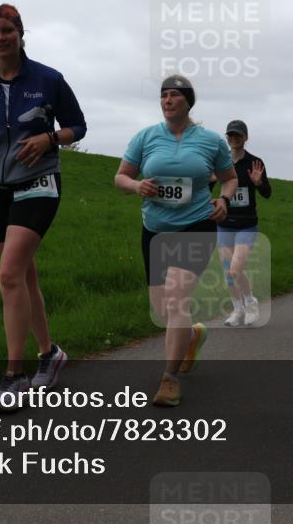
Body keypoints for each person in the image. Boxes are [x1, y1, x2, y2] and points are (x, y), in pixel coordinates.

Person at [0, 3, 86, 407]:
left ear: (20, 32)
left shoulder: (48, 79)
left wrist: (50, 139)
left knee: (9, 275)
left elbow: (78, 125)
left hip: (39, 182)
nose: (0, 39)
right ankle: (50, 354)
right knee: (24, 278)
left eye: (6, 31)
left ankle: (13, 377)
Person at [115, 75, 237, 406]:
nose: (168, 100)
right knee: (161, 308)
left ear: (188, 101)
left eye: (175, 95)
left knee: (175, 299)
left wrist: (224, 200)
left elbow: (229, 179)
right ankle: (193, 335)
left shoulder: (211, 141)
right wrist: (136, 186)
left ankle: (169, 380)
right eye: (164, 96)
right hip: (155, 228)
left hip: (197, 224)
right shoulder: (146, 136)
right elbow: (120, 176)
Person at [211, 120, 271, 327]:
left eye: (238, 135)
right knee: (228, 271)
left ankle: (250, 302)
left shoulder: (255, 162)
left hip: (247, 224)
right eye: (231, 135)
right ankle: (237, 310)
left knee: (235, 269)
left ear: (245, 138)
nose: (234, 139)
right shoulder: (220, 162)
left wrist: (259, 183)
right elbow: (206, 187)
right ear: (227, 138)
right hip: (224, 222)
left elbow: (267, 193)